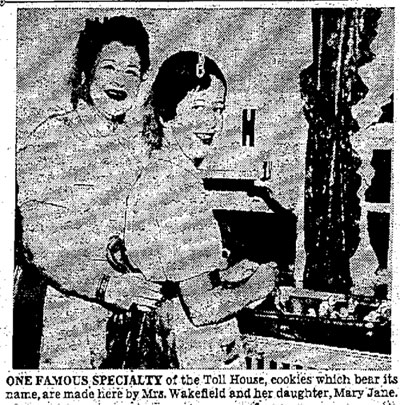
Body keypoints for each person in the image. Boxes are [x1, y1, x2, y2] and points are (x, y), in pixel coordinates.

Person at [105, 51, 278, 369]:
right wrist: (259, 284)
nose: (211, 122)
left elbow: (174, 276)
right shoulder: (178, 187)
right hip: (185, 347)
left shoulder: (159, 174)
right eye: (198, 108)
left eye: (218, 109)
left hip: (160, 335)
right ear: (166, 114)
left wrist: (225, 278)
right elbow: (202, 308)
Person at [16, 16, 164, 369]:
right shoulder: (53, 138)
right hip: (57, 312)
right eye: (109, 67)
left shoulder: (138, 147)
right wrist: (103, 285)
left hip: (122, 318)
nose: (120, 80)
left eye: (132, 71)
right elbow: (40, 245)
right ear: (86, 75)